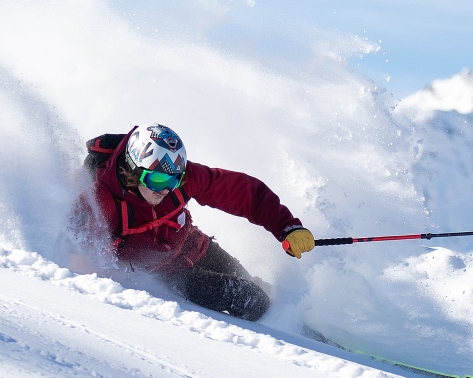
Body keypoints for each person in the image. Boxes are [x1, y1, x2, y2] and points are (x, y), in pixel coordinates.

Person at [71, 124, 316, 321]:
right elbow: (77, 254)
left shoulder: (181, 180)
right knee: (250, 299)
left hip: (197, 248)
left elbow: (243, 193)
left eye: (173, 180)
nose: (166, 190)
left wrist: (286, 226)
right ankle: (283, 335)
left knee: (254, 285)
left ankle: (294, 324)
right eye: (157, 180)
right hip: (171, 275)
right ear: (134, 170)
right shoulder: (102, 203)